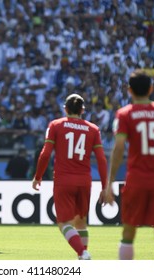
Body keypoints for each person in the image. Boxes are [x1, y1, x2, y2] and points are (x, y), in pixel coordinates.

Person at [104, 69, 154, 260]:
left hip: (136, 180)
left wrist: (110, 182)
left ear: (129, 90)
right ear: (151, 89)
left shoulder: (124, 114)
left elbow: (118, 149)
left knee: (128, 233)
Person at [32, 93, 108, 260]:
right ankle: (82, 256)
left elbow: (45, 154)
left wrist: (38, 176)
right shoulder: (93, 129)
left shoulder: (56, 125)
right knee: (81, 221)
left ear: (65, 108)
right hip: (84, 181)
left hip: (64, 180)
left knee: (64, 223)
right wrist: (105, 186)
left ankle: (83, 253)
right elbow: (101, 159)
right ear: (82, 110)